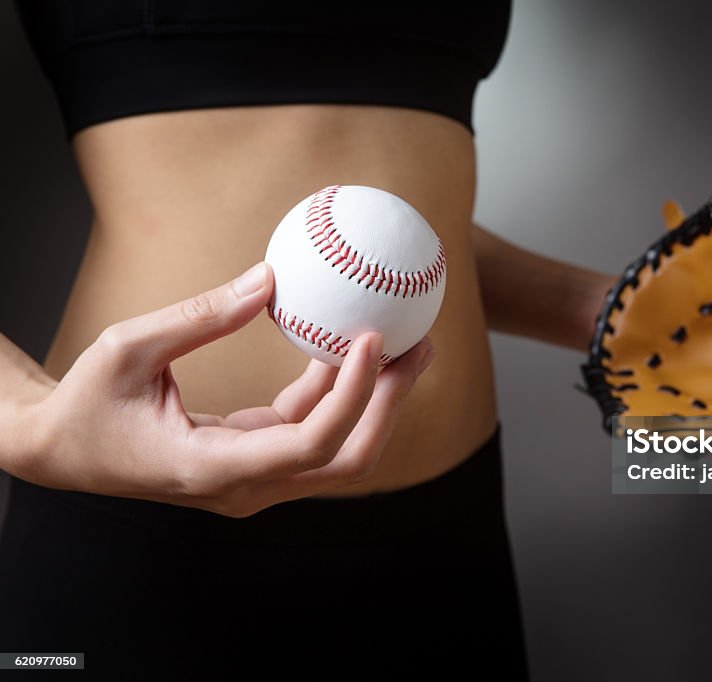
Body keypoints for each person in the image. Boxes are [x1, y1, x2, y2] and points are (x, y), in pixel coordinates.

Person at [0, 1, 616, 678]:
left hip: (442, 545)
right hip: (123, 532)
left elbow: (401, 255)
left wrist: (613, 312)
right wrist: (29, 424)